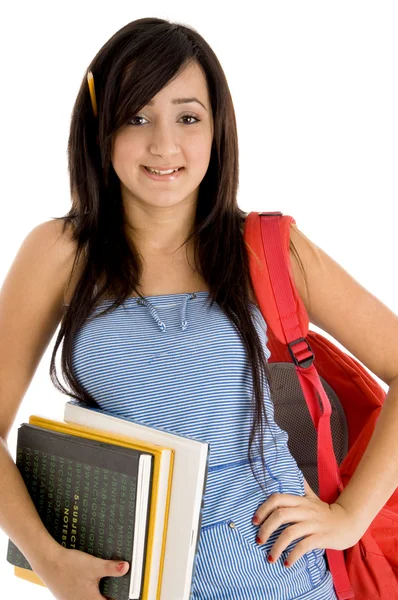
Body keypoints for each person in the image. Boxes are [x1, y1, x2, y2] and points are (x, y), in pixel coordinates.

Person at [1, 16, 398, 600]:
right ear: (99, 129)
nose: (164, 145)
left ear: (218, 130)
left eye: (188, 117)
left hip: (287, 576)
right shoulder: (60, 252)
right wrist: (49, 559)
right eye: (136, 117)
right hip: (138, 582)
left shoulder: (268, 249)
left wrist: (351, 517)